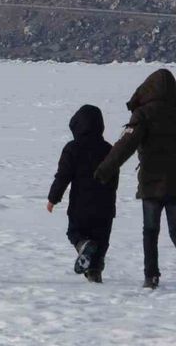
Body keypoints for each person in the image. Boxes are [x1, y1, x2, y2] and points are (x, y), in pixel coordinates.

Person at [94, 69, 176, 292]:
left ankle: (151, 277)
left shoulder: (143, 115)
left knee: (150, 230)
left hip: (151, 184)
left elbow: (124, 146)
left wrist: (103, 171)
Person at [47, 105, 118, 283]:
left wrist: (53, 198)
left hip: (81, 205)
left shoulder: (72, 148)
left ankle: (82, 245)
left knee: (75, 232)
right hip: (105, 206)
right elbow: (114, 179)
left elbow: (63, 176)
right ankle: (95, 275)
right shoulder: (109, 149)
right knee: (101, 243)